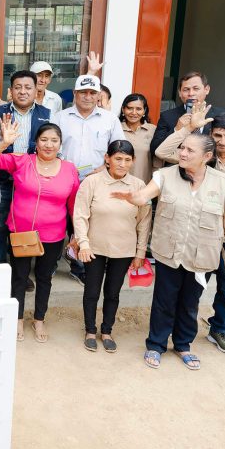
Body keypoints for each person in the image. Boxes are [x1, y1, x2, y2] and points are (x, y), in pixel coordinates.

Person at [112, 132, 225, 371]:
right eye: (182, 148)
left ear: (206, 156)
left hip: (202, 255)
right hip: (169, 252)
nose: (182, 153)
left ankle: (183, 345)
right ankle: (156, 345)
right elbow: (145, 196)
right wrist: (134, 197)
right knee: (164, 300)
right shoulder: (164, 176)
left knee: (189, 303)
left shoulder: (223, 184)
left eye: (189, 150)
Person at [155, 110, 225, 355]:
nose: (222, 141)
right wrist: (188, 128)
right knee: (189, 290)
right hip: (196, 237)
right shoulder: (201, 156)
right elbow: (162, 152)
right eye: (217, 135)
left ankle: (220, 328)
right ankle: (175, 332)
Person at [0, 120, 80, 343]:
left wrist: (76, 233)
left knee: (44, 278)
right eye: (44, 140)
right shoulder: (22, 161)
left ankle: (39, 319)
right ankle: (18, 319)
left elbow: (73, 206)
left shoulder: (70, 169)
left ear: (60, 144)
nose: (49, 145)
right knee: (19, 277)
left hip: (54, 235)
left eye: (54, 141)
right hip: (22, 233)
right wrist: (4, 142)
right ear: (36, 142)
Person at [72, 140, 151, 352]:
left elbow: (144, 221)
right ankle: (90, 329)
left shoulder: (139, 186)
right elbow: (80, 214)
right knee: (91, 291)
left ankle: (107, 330)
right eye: (118, 158)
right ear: (107, 158)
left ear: (133, 161)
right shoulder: (92, 182)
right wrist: (83, 243)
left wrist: (140, 252)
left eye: (127, 160)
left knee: (113, 292)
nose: (122, 164)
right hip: (94, 247)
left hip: (124, 249)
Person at [51, 74, 124, 284]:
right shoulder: (60, 117)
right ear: (75, 94)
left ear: (98, 95)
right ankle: (52, 262)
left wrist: (104, 167)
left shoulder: (110, 119)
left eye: (92, 93)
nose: (88, 97)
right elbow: (49, 144)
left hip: (96, 180)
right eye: (83, 92)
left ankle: (78, 265)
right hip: (63, 177)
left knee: (85, 224)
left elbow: (119, 148)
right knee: (60, 221)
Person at [0, 70, 53, 289]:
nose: (23, 92)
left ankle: (20, 274)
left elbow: (53, 144)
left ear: (36, 90)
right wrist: (2, 137)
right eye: (18, 88)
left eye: (28, 87)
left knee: (24, 226)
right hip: (2, 179)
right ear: (10, 91)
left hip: (31, 181)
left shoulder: (47, 114)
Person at [120, 93, 156, 182]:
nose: (134, 112)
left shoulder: (153, 130)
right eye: (130, 108)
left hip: (145, 185)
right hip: (118, 184)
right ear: (123, 109)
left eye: (138, 109)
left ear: (144, 110)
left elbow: (157, 161)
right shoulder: (116, 128)